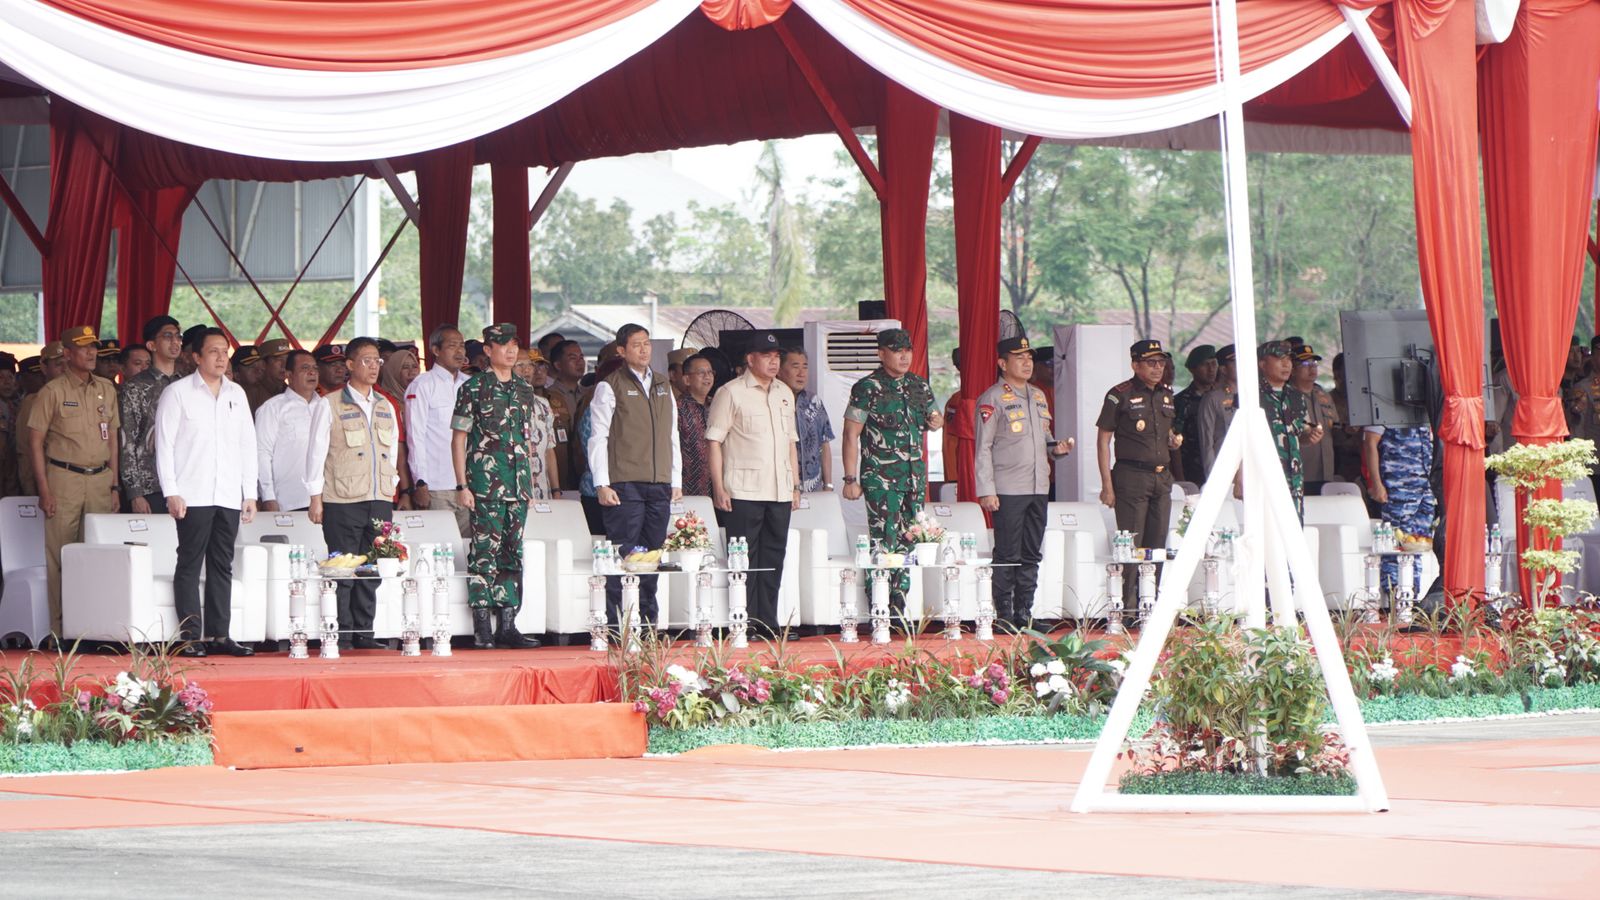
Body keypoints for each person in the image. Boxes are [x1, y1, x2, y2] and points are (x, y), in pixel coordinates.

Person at [154, 328, 257, 657]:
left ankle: (220, 635)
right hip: (192, 493)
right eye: (213, 351)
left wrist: (249, 493)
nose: (221, 357)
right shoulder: (178, 393)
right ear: (196, 357)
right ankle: (189, 637)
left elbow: (247, 445)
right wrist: (171, 491)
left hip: (227, 493)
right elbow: (164, 445)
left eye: (224, 351)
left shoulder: (236, 393)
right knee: (189, 563)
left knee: (222, 564)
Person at [450, 323, 542, 649]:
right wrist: (462, 485)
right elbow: (459, 439)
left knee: (512, 554)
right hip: (485, 484)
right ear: (488, 350)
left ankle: (507, 624)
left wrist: (529, 484)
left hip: (517, 485)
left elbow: (525, 440)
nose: (511, 350)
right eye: (503, 345)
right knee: (483, 554)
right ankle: (482, 628)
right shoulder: (473, 388)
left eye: (514, 344)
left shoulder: (524, 389)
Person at [26, 327, 121, 640]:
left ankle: (95, 629)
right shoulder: (52, 391)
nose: (91, 353)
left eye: (93, 347)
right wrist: (44, 490)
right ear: (67, 354)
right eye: (83, 348)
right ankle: (61, 631)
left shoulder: (106, 388)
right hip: (63, 479)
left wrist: (115, 485)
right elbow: (35, 443)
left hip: (100, 480)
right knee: (61, 556)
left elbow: (113, 440)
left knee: (97, 554)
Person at [304, 337, 397, 650]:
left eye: (377, 361)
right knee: (343, 568)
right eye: (366, 360)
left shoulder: (385, 405)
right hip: (342, 498)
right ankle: (341, 634)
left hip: (379, 497)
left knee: (371, 567)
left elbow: (392, 452)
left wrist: (391, 487)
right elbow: (316, 452)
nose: (373, 367)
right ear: (350, 365)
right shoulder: (329, 403)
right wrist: (315, 497)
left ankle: (364, 632)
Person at [841, 329, 941, 614]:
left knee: (911, 538)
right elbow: (851, 433)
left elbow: (935, 417)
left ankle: (899, 602)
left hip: (914, 478)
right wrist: (850, 478)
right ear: (881, 354)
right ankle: (880, 602)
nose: (904, 356)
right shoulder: (867, 387)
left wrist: (936, 422)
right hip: (881, 478)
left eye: (908, 350)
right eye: (897, 351)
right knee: (884, 539)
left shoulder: (919, 385)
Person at [706, 331, 800, 633]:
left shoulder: (784, 392)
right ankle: (742, 620)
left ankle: (767, 621)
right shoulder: (731, 392)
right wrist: (719, 487)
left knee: (774, 556)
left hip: (779, 488)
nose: (774, 362)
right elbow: (714, 441)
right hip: (743, 489)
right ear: (750, 359)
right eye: (766, 356)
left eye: (776, 357)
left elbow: (791, 443)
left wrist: (795, 485)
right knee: (744, 558)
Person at [588, 323, 682, 628]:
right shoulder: (610, 385)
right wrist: (602, 483)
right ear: (621, 351)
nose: (644, 350)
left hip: (659, 483)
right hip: (625, 482)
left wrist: (676, 480)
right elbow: (598, 437)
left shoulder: (664, 384)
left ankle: (647, 623)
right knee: (625, 554)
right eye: (636, 345)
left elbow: (672, 434)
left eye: (647, 344)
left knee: (653, 555)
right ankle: (618, 625)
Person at [976, 336, 1073, 628]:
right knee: (1007, 552)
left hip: (1038, 486)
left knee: (1031, 552)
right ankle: (1004, 615)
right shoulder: (992, 398)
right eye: (1019, 358)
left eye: (1029, 357)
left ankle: (1024, 613)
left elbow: (1044, 438)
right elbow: (983, 447)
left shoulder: (1038, 395)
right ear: (1002, 363)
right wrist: (986, 490)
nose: (1027, 362)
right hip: (1008, 487)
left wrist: (1056, 449)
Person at [1095, 339, 1180, 624]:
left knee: (1157, 544)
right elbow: (1103, 440)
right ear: (1135, 365)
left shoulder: (1167, 394)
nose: (1158, 368)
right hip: (1132, 476)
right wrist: (1107, 485)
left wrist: (1173, 441)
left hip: (1161, 476)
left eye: (1161, 362)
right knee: (1132, 545)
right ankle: (1128, 609)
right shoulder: (1119, 395)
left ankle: (1151, 606)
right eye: (1151, 363)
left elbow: (1165, 433)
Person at [406, 325, 471, 534]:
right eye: (452, 346)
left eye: (462, 346)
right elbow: (415, 437)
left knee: (468, 546)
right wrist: (420, 482)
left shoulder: (470, 385)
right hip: (437, 485)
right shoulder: (422, 385)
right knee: (441, 545)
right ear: (435, 350)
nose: (459, 351)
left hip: (469, 484)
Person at [117, 316, 184, 514]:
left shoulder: (187, 384)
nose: (175, 342)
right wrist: (135, 494)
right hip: (151, 486)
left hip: (185, 482)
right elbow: (127, 443)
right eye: (168, 336)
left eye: (178, 336)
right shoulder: (135, 387)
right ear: (151, 345)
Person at [1363, 423, 1437, 597]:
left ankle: (1412, 593)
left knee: (1418, 543)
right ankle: (1393, 596)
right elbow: (1370, 442)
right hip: (1399, 486)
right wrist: (1376, 483)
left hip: (1425, 489)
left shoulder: (1422, 412)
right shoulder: (1385, 410)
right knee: (1395, 545)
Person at [1258, 340, 1319, 521]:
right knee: (1268, 528)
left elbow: (1299, 435)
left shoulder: (1295, 396)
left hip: (1294, 478)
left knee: (1295, 528)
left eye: (1289, 359)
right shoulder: (1251, 396)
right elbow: (1240, 440)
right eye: (1279, 359)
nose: (1286, 364)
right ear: (1262, 364)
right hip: (1265, 477)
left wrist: (1310, 436)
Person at [255, 349, 319, 512]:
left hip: (326, 501)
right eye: (305, 368)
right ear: (289, 375)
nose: (312, 372)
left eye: (315, 368)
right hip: (289, 502)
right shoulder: (272, 408)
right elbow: (262, 453)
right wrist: (268, 496)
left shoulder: (326, 406)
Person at [781, 347, 835, 493]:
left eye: (805, 367)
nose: (801, 373)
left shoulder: (814, 401)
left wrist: (828, 485)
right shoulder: (772, 400)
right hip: (782, 488)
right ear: (779, 370)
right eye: (795, 367)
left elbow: (825, 444)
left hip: (813, 487)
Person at [16, 344, 66, 497]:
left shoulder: (86, 397)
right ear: (44, 368)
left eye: (69, 364)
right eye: (59, 364)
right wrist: (32, 493)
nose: (65, 369)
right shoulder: (34, 402)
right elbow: (25, 452)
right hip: (49, 485)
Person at [1289, 344, 1338, 496]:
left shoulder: (1323, 395)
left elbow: (1335, 426)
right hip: (1300, 472)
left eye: (1314, 363)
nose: (1312, 367)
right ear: (1292, 369)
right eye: (1305, 364)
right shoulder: (1286, 397)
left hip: (1326, 470)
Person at [1171, 344, 1217, 484]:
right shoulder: (1180, 402)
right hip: (1193, 472)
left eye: (1213, 364)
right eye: (1205, 365)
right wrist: (1180, 479)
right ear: (1192, 369)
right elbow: (1175, 444)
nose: (1211, 369)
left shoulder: (1224, 398)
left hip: (1222, 468)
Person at [547, 339, 587, 490]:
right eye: (572, 358)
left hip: (584, 469)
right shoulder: (548, 397)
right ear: (558, 365)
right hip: (561, 471)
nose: (579, 362)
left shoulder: (589, 394)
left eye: (581, 357)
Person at [1195, 343, 1238, 477]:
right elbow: (1207, 444)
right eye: (1236, 362)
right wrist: (1213, 478)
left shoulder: (1255, 396)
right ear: (1224, 369)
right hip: (1225, 470)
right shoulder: (1212, 398)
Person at [677, 353, 714, 497]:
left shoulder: (718, 404)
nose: (707, 376)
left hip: (718, 487)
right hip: (688, 488)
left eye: (710, 372)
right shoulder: (677, 408)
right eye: (701, 373)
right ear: (687, 379)